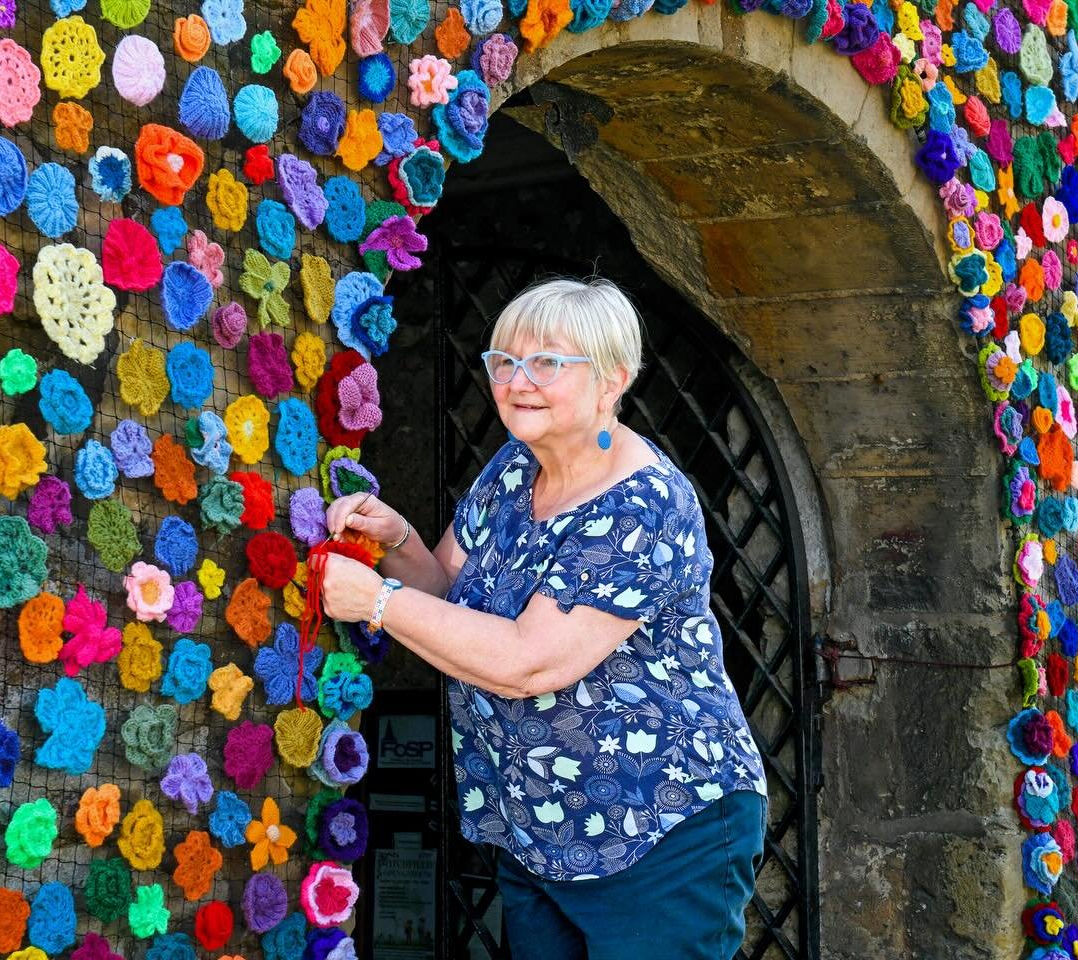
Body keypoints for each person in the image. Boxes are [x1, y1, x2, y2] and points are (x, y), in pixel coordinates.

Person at [316, 278, 767, 960]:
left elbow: (531, 661)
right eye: (504, 361)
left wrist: (377, 602)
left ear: (611, 379)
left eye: (547, 362)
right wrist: (400, 542)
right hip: (539, 830)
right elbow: (447, 593)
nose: (517, 381)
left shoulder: (641, 503)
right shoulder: (514, 467)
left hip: (660, 829)